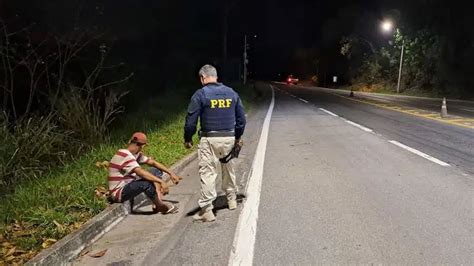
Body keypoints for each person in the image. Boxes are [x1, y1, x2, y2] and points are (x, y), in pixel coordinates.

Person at [184, 64, 246, 222]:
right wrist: (237, 137)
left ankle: (207, 210)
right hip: (228, 138)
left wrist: (188, 138)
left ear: (203, 78)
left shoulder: (200, 94)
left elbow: (191, 121)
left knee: (208, 172)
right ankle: (232, 200)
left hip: (209, 139)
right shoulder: (231, 93)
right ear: (216, 77)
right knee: (228, 168)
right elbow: (241, 119)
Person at [108, 132, 181, 214]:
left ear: (130, 141)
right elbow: (140, 172)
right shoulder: (124, 155)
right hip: (119, 193)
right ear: (142, 146)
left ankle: (157, 202)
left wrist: (171, 173)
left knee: (155, 171)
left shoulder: (134, 155)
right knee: (145, 184)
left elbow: (153, 163)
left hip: (129, 184)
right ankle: (161, 206)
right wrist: (161, 181)